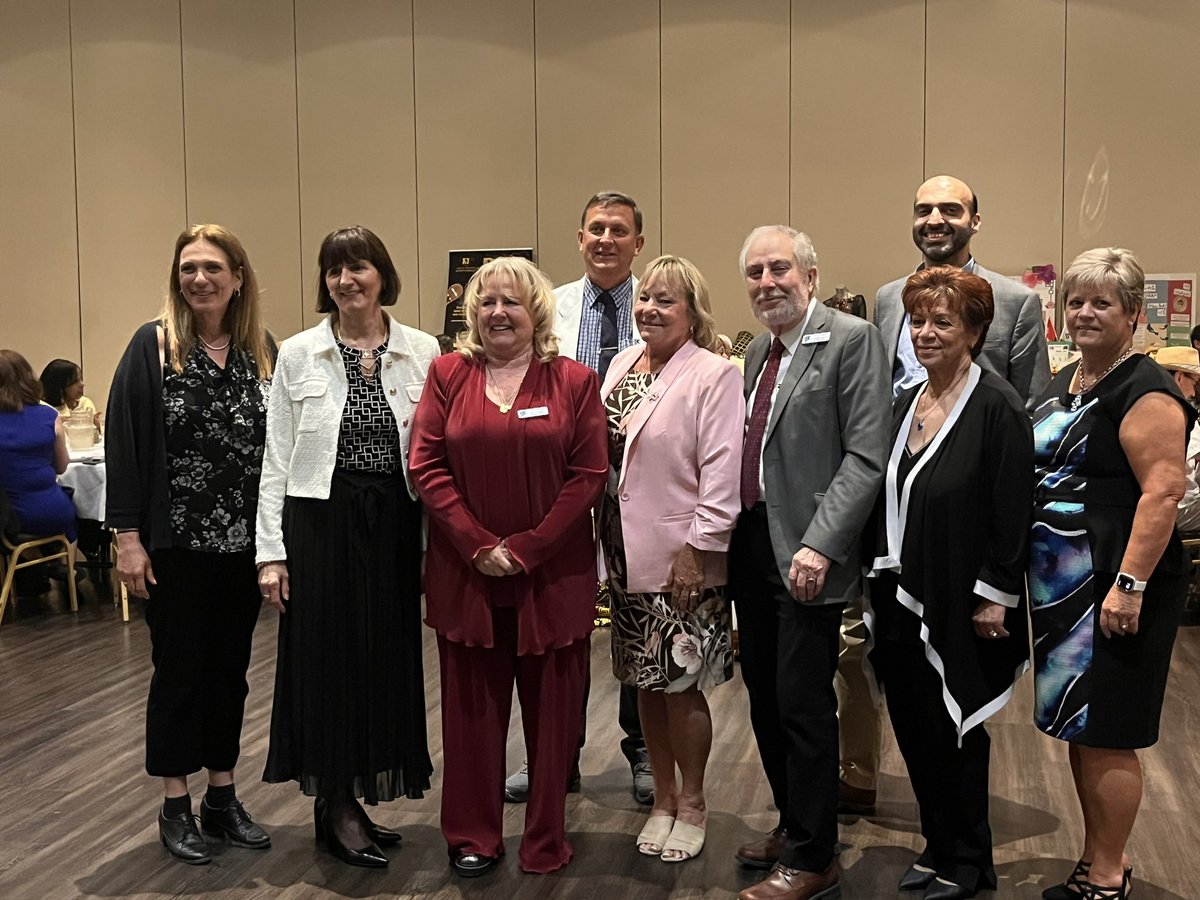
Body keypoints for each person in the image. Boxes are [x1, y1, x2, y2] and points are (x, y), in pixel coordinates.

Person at [838, 173, 1053, 819]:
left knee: (948, 699)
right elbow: (878, 406)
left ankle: (960, 844)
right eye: (924, 208)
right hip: (898, 532)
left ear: (974, 221)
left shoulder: (1013, 302)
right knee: (889, 677)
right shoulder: (886, 299)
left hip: (965, 533)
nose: (935, 218)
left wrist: (996, 578)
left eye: (950, 209)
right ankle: (866, 784)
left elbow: (1030, 420)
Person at [409, 255, 606, 877]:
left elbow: (589, 475)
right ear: (472, 314)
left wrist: (527, 548)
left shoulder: (573, 381)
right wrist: (476, 545)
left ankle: (545, 840)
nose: (499, 313)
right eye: (487, 302)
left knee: (553, 722)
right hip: (466, 575)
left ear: (536, 313)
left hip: (553, 575)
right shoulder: (447, 375)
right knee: (470, 714)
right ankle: (473, 834)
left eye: (512, 302)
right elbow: (426, 465)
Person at [257, 226, 436, 869]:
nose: (345, 280)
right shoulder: (300, 354)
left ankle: (353, 796)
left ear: (382, 274)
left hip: (392, 519)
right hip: (320, 522)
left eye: (357, 267)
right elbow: (275, 460)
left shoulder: (422, 349)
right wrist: (270, 554)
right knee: (326, 661)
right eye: (333, 270)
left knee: (382, 658)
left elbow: (434, 453)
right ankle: (333, 803)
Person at [106, 224, 275, 865]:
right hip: (173, 548)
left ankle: (222, 795)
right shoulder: (152, 347)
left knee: (229, 675)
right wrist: (127, 538)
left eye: (211, 267)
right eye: (187, 268)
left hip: (240, 550)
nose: (198, 278)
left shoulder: (263, 350)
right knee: (178, 674)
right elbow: (123, 445)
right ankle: (175, 801)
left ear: (237, 278)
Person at [730, 225, 889, 900]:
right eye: (756, 273)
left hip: (807, 552)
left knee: (802, 704)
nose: (767, 283)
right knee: (764, 698)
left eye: (780, 269)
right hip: (753, 544)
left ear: (812, 276)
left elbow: (866, 455)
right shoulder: (756, 355)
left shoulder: (852, 341)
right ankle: (795, 822)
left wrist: (821, 544)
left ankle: (814, 855)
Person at [865, 267, 1034, 900]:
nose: (926, 332)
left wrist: (996, 592)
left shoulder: (997, 406)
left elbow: (1012, 507)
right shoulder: (908, 402)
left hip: (964, 602)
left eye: (943, 321)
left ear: (975, 331)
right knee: (914, 727)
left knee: (957, 727)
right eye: (917, 320)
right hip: (902, 594)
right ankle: (938, 845)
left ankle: (969, 862)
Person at [1031, 248, 1193, 900]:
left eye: (1102, 302)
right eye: (1076, 301)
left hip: (1117, 585)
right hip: (1064, 584)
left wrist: (1129, 586)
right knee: (1082, 727)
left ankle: (1107, 872)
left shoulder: (1145, 388)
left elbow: (1162, 493)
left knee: (1111, 732)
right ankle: (1099, 859)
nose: (1086, 313)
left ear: (1133, 313)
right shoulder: (1069, 377)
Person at [506, 190, 653, 806]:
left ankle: (644, 750)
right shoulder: (551, 308)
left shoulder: (660, 300)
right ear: (579, 236)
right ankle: (555, 755)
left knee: (638, 614)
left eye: (619, 231)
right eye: (596, 229)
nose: (606, 240)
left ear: (638, 243)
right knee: (560, 623)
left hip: (638, 486)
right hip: (560, 486)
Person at [597, 255, 743, 863]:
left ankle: (694, 802)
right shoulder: (620, 363)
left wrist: (698, 549)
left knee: (681, 685)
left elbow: (722, 472)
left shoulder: (714, 374)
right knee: (644, 686)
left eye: (666, 300)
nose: (651, 309)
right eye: (646, 298)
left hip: (682, 557)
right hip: (623, 554)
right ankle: (660, 798)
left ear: (692, 312)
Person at [0, 350, 76, 539]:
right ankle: (68, 567)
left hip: (6, 516)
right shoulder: (49, 416)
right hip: (48, 510)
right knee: (71, 523)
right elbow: (61, 466)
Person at [1154, 346, 1200, 532]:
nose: (1193, 393)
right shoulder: (1174, 412)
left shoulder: (1149, 403)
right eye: (1194, 382)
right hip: (1172, 508)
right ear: (1179, 377)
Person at [38, 358, 102, 428]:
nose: (82, 384)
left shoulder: (85, 404)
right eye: (75, 381)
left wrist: (96, 425)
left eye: (81, 379)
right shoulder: (43, 409)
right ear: (59, 386)